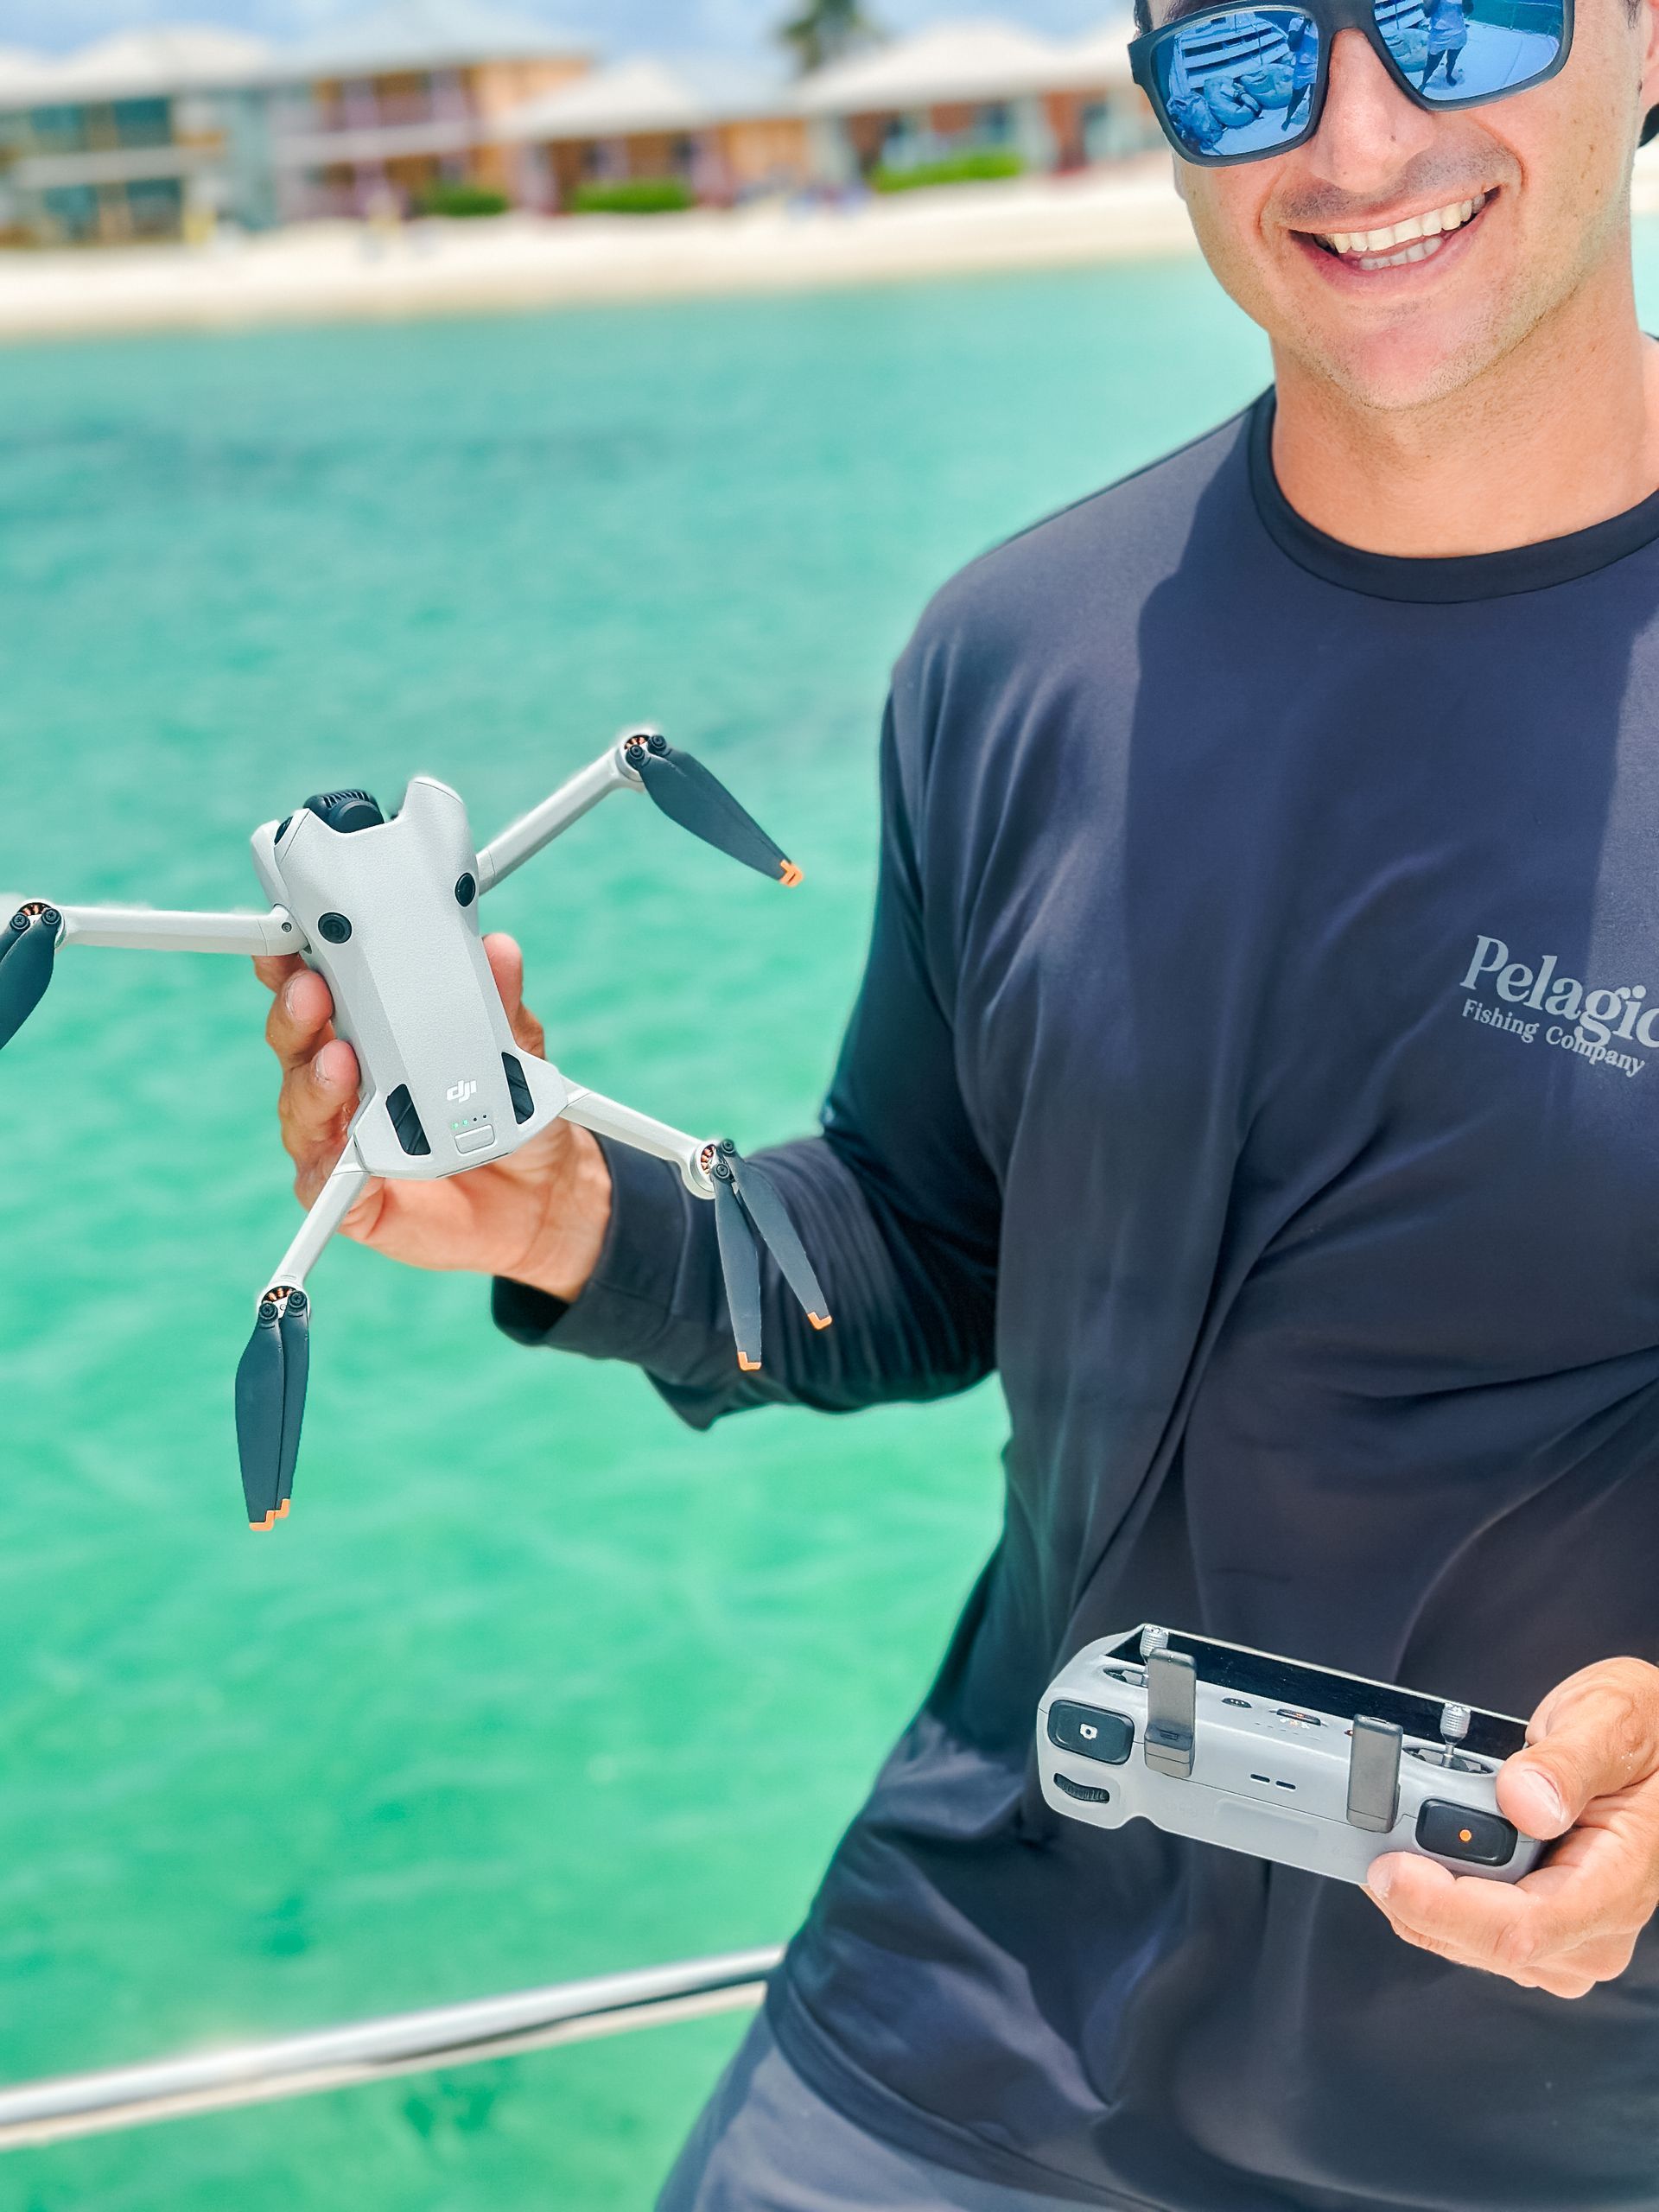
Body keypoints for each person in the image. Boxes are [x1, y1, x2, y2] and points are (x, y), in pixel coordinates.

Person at [254, 0, 1659, 2198]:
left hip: (1543, 2105)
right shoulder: (1019, 648)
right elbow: (923, 1244)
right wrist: (553, 1212)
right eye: (1247, 57)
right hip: (942, 2036)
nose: (1359, 136)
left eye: (1465, 16)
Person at [1421, 0, 1472, 88]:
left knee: (1452, 59)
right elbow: (1427, 13)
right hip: (1438, 35)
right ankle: (1424, 82)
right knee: (1432, 62)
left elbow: (1469, 10)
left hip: (1458, 33)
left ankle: (1448, 75)